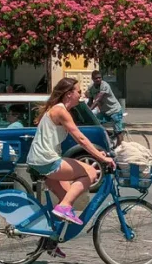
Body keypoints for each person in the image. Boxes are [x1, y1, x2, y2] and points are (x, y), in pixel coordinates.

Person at [28, 77, 115, 229]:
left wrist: (97, 152)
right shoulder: (60, 111)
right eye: (79, 92)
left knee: (67, 196)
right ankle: (64, 208)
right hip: (47, 160)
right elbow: (80, 138)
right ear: (69, 94)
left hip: (40, 160)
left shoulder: (57, 110)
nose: (81, 95)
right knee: (90, 172)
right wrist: (101, 157)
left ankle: (51, 240)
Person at [87, 70, 125, 136]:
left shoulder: (104, 85)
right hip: (104, 112)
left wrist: (89, 110)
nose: (98, 79)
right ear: (92, 79)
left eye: (100, 77)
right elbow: (90, 101)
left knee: (118, 132)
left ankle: (120, 145)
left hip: (114, 110)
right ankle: (108, 134)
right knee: (94, 122)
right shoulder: (91, 88)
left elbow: (98, 99)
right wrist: (86, 110)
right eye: (96, 78)